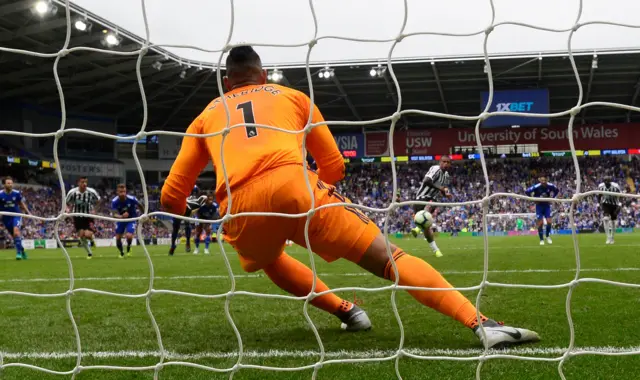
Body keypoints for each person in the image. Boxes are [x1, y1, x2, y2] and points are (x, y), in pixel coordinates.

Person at [160, 45, 539, 348]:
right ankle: (480, 324)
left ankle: (348, 312)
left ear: (228, 82)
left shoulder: (205, 116)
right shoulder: (292, 97)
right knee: (389, 257)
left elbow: (171, 196)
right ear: (264, 74)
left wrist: (198, 216)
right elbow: (334, 165)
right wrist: (314, 201)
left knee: (270, 259)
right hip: (296, 185)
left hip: (239, 205)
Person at [409, 156, 453, 257]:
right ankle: (418, 228)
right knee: (426, 227)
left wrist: (446, 194)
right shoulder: (435, 169)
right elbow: (426, 181)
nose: (446, 164)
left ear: (450, 164)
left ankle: (436, 250)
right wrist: (441, 189)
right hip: (421, 197)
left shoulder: (446, 175)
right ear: (440, 162)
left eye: (448, 162)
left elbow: (443, 189)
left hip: (432, 199)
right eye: (444, 162)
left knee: (427, 226)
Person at [65, 177, 100, 259]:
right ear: (78, 183)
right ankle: (89, 253)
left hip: (88, 215)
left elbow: (98, 200)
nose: (84, 184)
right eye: (82, 182)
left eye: (86, 182)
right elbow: (66, 202)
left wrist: (95, 210)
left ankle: (92, 239)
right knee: (81, 235)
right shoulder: (72, 192)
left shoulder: (91, 192)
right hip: (77, 216)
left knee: (87, 235)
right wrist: (67, 209)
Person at [0, 176, 30, 260]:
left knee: (16, 232)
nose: (10, 185)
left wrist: (28, 212)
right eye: (8, 183)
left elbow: (21, 203)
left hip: (16, 215)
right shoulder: (0, 194)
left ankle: (19, 253)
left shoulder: (16, 193)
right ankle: (23, 250)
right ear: (4, 184)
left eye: (11, 183)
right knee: (15, 237)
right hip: (6, 218)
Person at [525, 176, 559, 245]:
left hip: (546, 206)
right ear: (540, 181)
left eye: (544, 180)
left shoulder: (550, 185)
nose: (543, 182)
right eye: (542, 180)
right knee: (540, 223)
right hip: (539, 206)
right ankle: (541, 239)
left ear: (546, 180)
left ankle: (547, 236)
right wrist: (533, 199)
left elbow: (557, 190)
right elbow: (527, 191)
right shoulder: (536, 186)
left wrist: (552, 198)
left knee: (549, 221)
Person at [111, 184, 142, 258]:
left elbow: (140, 205)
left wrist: (144, 214)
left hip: (131, 219)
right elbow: (114, 214)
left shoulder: (132, 199)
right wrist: (121, 216)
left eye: (124, 191)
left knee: (129, 236)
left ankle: (129, 247)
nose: (123, 193)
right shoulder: (114, 201)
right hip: (121, 219)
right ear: (117, 192)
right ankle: (121, 252)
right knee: (118, 238)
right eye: (121, 192)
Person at [169, 185, 198, 255]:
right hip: (182, 207)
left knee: (180, 226)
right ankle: (184, 243)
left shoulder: (190, 186)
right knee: (181, 226)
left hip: (184, 207)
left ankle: (174, 244)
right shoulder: (190, 186)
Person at [597, 176, 622, 245]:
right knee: (605, 218)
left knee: (613, 222)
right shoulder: (601, 186)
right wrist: (598, 204)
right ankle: (608, 237)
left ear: (610, 181)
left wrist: (619, 206)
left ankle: (612, 238)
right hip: (606, 204)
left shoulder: (616, 186)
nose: (606, 183)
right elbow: (599, 196)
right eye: (605, 181)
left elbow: (621, 196)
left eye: (608, 181)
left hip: (615, 205)